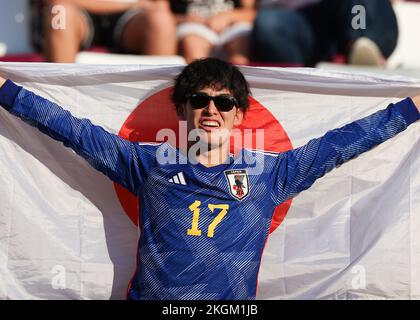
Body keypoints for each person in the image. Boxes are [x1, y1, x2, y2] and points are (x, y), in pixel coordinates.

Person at [1, 58, 420, 299]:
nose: (211, 109)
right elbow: (68, 128)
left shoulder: (270, 174)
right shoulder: (147, 165)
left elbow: (344, 142)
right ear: (182, 111)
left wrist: (412, 108)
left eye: (224, 102)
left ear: (240, 114)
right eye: (199, 100)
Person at [252, 0, 399, 66]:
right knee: (268, 23)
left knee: (357, 10)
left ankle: (360, 45)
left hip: (360, 13)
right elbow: (250, 8)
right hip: (306, 23)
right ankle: (297, 86)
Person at [40, 0, 177, 63]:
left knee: (161, 20)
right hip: (78, 13)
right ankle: (59, 103)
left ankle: (155, 107)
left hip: (132, 18)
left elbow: (160, 5)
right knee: (59, 13)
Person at [171, 0, 257, 64]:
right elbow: (164, 15)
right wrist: (184, 19)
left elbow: (253, 13)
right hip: (193, 27)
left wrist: (230, 16)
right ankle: (201, 84)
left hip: (233, 26)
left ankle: (238, 84)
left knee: (239, 56)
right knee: (194, 50)